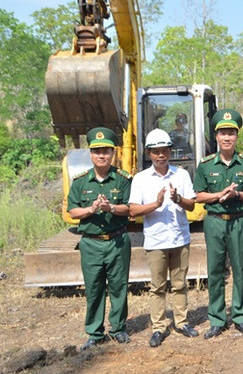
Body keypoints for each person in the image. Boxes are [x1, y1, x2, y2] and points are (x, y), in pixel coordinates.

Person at [129, 129, 199, 347]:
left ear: (170, 151)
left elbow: (192, 205)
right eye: (156, 151)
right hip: (156, 241)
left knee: (179, 284)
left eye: (165, 151)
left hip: (179, 239)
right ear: (149, 153)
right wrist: (156, 204)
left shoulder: (182, 175)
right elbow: (133, 210)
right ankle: (159, 327)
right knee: (157, 287)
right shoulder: (141, 179)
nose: (161, 155)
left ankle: (181, 322)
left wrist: (178, 198)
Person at [66, 127, 132, 350]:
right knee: (94, 288)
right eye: (97, 151)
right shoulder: (80, 182)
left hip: (117, 241)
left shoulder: (123, 179)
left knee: (118, 286)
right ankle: (95, 333)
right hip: (91, 243)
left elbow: (130, 208)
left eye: (105, 151)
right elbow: (72, 211)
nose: (101, 155)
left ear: (113, 153)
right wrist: (91, 210)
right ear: (90, 154)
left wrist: (111, 207)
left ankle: (118, 329)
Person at [194, 108, 243, 339]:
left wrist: (237, 195)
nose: (227, 137)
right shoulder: (206, 164)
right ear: (216, 136)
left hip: (239, 221)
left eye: (231, 133)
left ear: (237, 136)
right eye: (223, 133)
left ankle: (241, 316)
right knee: (215, 270)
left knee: (240, 269)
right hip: (215, 222)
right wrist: (219, 195)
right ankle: (217, 319)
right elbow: (199, 196)